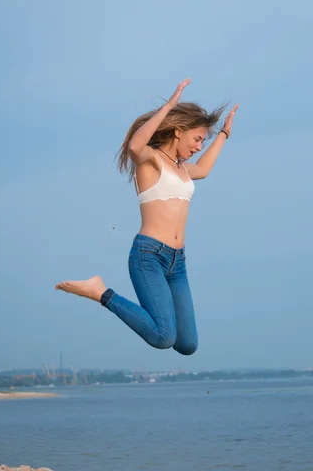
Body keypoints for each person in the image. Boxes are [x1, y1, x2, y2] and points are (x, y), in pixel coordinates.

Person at [56, 79, 238, 355]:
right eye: (198, 139)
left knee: (187, 344)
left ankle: (104, 293)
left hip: (178, 263)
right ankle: (100, 292)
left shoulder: (182, 170)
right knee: (163, 337)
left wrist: (224, 134)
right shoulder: (150, 160)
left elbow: (204, 169)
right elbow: (134, 145)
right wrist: (169, 106)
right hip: (149, 256)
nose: (200, 146)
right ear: (178, 131)